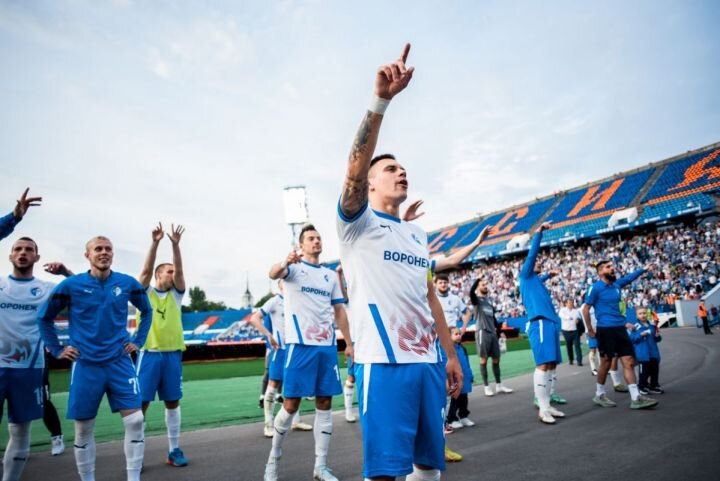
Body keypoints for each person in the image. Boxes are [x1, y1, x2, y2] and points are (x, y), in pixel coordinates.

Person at [336, 43, 462, 481]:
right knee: (385, 471)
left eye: (403, 168)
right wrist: (380, 101)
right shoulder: (357, 224)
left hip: (427, 360)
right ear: (370, 184)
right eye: (390, 169)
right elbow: (353, 170)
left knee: (429, 464)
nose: (401, 172)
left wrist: (449, 355)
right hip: (383, 362)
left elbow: (429, 297)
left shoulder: (416, 234)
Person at [38, 235, 154, 481]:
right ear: (87, 255)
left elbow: (147, 310)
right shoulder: (71, 285)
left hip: (119, 361)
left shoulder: (127, 283)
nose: (104, 252)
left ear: (113, 253)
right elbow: (43, 317)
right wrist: (56, 349)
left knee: (135, 420)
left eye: (108, 249)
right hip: (86, 364)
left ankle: (134, 478)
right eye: (98, 249)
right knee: (83, 429)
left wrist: (138, 340)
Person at [263, 224, 352, 481]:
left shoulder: (330, 276)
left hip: (326, 347)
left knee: (325, 403)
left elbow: (339, 311)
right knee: (291, 405)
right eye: (311, 238)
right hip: (299, 346)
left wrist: (349, 343)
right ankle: (273, 461)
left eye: (318, 238)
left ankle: (320, 467)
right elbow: (272, 273)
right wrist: (285, 261)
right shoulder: (293, 270)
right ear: (301, 245)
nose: (316, 241)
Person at [0, 188, 72, 481]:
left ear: (37, 256)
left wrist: (66, 273)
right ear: (9, 255)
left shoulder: (46, 289)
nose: (23, 253)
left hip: (29, 369)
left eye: (29, 249)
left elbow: (88, 295)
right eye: (18, 249)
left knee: (20, 432)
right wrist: (14, 217)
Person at [135, 223, 189, 467]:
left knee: (172, 403)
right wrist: (155, 243)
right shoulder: (144, 293)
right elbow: (146, 270)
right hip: (149, 355)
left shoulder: (177, 295)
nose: (173, 274)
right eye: (169, 271)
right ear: (158, 275)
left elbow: (181, 271)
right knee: (140, 405)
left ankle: (174, 450)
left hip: (172, 356)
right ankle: (136, 454)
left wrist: (176, 246)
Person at [582, 260, 658, 410]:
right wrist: (590, 329)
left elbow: (629, 278)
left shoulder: (616, 285)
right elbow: (586, 309)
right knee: (606, 363)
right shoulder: (595, 288)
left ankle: (636, 398)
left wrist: (643, 269)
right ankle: (599, 394)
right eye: (608, 267)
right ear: (600, 272)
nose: (612, 268)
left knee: (628, 361)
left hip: (620, 329)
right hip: (605, 329)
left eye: (612, 266)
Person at [518, 222, 566, 424]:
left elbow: (540, 279)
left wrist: (549, 275)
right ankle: (543, 408)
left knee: (552, 364)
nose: (538, 264)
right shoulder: (525, 275)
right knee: (543, 365)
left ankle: (547, 404)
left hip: (550, 323)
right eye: (536, 263)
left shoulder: (536, 280)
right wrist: (539, 233)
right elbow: (532, 256)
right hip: (539, 323)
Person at [469, 277, 513, 397]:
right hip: (482, 332)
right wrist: (477, 280)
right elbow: (471, 292)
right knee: (483, 359)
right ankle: (486, 387)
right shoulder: (476, 301)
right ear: (478, 287)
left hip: (492, 333)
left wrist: (500, 332)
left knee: (496, 359)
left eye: (485, 285)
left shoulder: (488, 303)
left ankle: (499, 385)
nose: (485, 286)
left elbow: (493, 320)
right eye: (482, 285)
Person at [445, 328, 474, 430]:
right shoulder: (448, 350)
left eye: (459, 334)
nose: (459, 336)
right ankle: (452, 419)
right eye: (456, 334)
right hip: (454, 379)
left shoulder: (463, 349)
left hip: (464, 378)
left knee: (464, 398)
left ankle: (463, 416)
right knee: (454, 399)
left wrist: (470, 375)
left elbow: (467, 363)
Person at [630, 309, 663, 395]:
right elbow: (632, 339)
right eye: (640, 314)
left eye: (644, 313)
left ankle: (654, 385)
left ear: (647, 314)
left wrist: (657, 336)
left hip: (653, 352)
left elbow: (658, 339)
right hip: (642, 353)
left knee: (654, 370)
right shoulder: (636, 326)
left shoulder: (652, 325)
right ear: (637, 316)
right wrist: (640, 335)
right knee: (644, 372)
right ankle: (642, 386)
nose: (642, 315)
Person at [43, 350, 65, 456]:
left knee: (44, 400)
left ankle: (57, 437)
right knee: (17, 403)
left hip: (36, 360)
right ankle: (20, 444)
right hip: (8, 361)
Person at [559, 299, 583, 366]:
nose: (571, 304)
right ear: (566, 304)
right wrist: (568, 317)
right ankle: (571, 359)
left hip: (575, 331)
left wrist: (578, 320)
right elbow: (561, 315)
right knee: (569, 346)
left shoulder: (576, 311)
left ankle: (579, 361)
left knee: (577, 346)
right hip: (566, 331)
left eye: (572, 303)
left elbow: (579, 318)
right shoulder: (563, 310)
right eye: (569, 303)